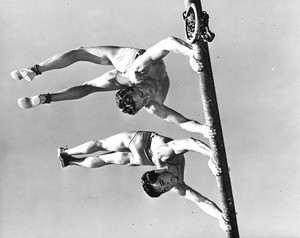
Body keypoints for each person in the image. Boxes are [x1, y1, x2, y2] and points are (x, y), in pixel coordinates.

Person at [11, 36, 206, 135]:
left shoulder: (140, 68)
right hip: (121, 78)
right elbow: (182, 122)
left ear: (132, 87)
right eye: (145, 100)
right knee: (88, 84)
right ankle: (40, 87)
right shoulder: (154, 106)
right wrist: (205, 130)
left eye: (142, 94)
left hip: (127, 62)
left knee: (81, 55)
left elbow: (168, 42)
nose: (149, 95)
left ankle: (38, 78)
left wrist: (191, 54)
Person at [57, 130, 231, 232]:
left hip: (140, 141)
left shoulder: (166, 154)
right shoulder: (176, 186)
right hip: (141, 158)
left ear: (159, 172)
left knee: (101, 144)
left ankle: (68, 152)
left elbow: (190, 142)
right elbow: (200, 201)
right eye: (164, 189)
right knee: (105, 160)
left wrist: (213, 158)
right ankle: (71, 161)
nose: (169, 185)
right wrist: (221, 218)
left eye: (163, 183)